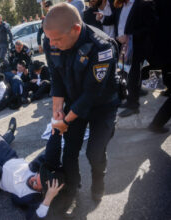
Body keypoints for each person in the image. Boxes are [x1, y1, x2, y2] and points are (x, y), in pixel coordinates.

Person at [43, 3, 119, 217]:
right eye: (49, 38)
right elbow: (56, 77)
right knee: (69, 151)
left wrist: (65, 121)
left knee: (94, 152)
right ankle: (71, 188)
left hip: (102, 105)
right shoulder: (51, 39)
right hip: (74, 102)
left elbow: (91, 95)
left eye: (56, 39)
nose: (51, 43)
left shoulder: (101, 47)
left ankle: (98, 181)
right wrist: (57, 112)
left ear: (75, 29)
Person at [95, 0, 157, 117]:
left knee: (133, 74)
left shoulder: (143, 5)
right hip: (122, 46)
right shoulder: (120, 5)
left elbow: (151, 26)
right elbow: (113, 19)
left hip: (136, 46)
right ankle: (131, 99)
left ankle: (133, 106)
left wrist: (129, 37)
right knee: (126, 73)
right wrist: (103, 17)